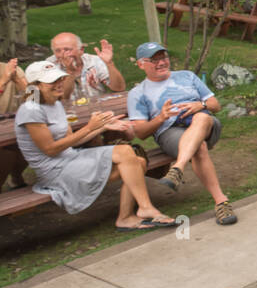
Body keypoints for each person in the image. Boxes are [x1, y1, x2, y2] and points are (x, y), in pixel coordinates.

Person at [15, 60, 178, 230]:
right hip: (55, 170)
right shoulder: (31, 110)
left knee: (138, 162)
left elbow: (73, 140)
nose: (59, 84)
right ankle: (146, 208)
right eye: (52, 81)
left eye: (59, 79)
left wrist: (102, 127)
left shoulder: (54, 103)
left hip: (71, 157)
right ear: (36, 86)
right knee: (127, 156)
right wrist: (90, 127)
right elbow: (50, 149)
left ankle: (126, 217)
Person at [126, 42, 238, 226]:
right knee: (198, 147)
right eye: (154, 60)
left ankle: (177, 168)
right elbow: (140, 133)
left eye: (163, 57)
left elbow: (215, 105)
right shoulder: (137, 93)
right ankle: (221, 202)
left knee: (202, 118)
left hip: (207, 125)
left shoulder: (187, 76)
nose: (161, 63)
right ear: (141, 64)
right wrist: (161, 117)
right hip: (170, 132)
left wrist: (200, 105)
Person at [0, 31, 29, 192]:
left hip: (10, 128)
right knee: (8, 150)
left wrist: (16, 78)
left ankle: (16, 177)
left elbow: (35, 99)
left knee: (32, 139)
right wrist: (3, 81)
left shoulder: (10, 69)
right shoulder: (5, 74)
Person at [47, 32, 127, 101]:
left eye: (67, 49)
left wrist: (109, 64)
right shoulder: (49, 66)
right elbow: (62, 98)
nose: (63, 55)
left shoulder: (94, 61)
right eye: (58, 51)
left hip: (98, 108)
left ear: (81, 50)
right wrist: (70, 72)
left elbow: (119, 88)